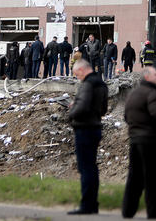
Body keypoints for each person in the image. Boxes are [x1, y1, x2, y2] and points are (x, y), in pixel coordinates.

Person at [122, 66, 156, 219]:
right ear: (147, 77)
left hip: (135, 139)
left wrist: (135, 129)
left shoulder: (133, 93)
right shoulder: (151, 93)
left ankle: (128, 211)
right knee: (152, 177)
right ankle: (154, 212)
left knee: (134, 176)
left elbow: (126, 116)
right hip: (150, 140)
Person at [66, 59, 108, 215]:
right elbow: (103, 109)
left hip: (84, 128)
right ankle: (93, 203)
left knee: (85, 168)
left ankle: (87, 205)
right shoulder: (102, 84)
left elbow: (82, 107)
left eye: (77, 75)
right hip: (96, 127)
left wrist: (71, 113)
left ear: (82, 69)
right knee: (92, 167)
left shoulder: (87, 84)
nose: (78, 78)